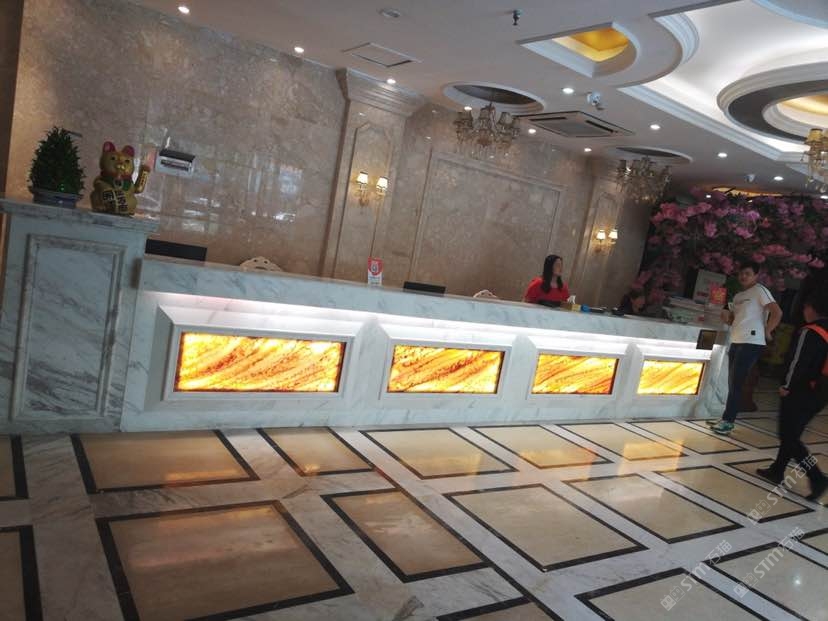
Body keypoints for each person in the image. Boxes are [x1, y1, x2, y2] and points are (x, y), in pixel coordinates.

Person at [756, 289, 828, 502]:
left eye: (805, 306)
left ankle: (817, 478)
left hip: (800, 391)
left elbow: (798, 362)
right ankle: (778, 469)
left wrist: (786, 385)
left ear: (812, 308)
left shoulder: (811, 332)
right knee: (793, 432)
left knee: (788, 436)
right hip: (821, 392)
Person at [709, 260, 783, 435]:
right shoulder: (738, 296)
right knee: (732, 382)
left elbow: (777, 312)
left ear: (756, 275)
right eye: (741, 273)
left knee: (737, 382)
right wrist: (726, 316)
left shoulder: (760, 290)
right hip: (736, 340)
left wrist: (767, 330)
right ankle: (726, 418)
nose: (743, 276)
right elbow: (735, 320)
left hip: (752, 342)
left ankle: (728, 421)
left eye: (748, 273)